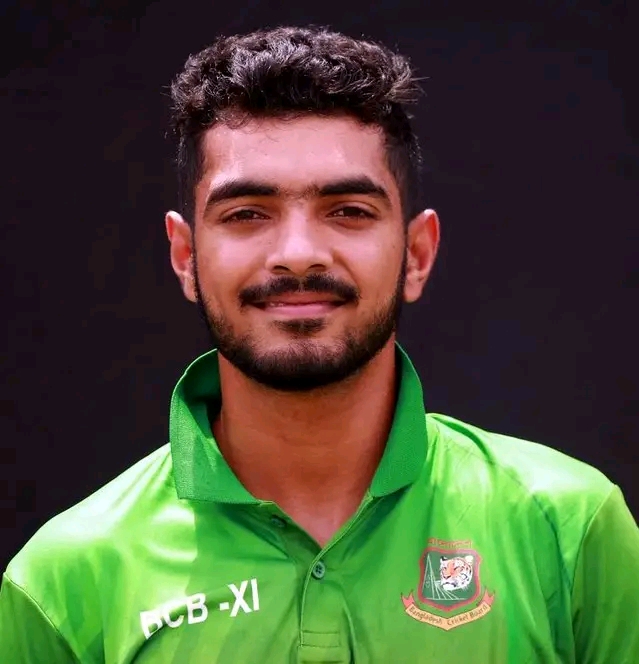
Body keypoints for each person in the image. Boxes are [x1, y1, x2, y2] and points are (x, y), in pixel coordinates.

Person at [1, 25, 637, 664]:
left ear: (417, 255)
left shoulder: (568, 528)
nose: (299, 253)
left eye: (349, 211)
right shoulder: (63, 581)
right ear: (186, 256)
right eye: (247, 213)